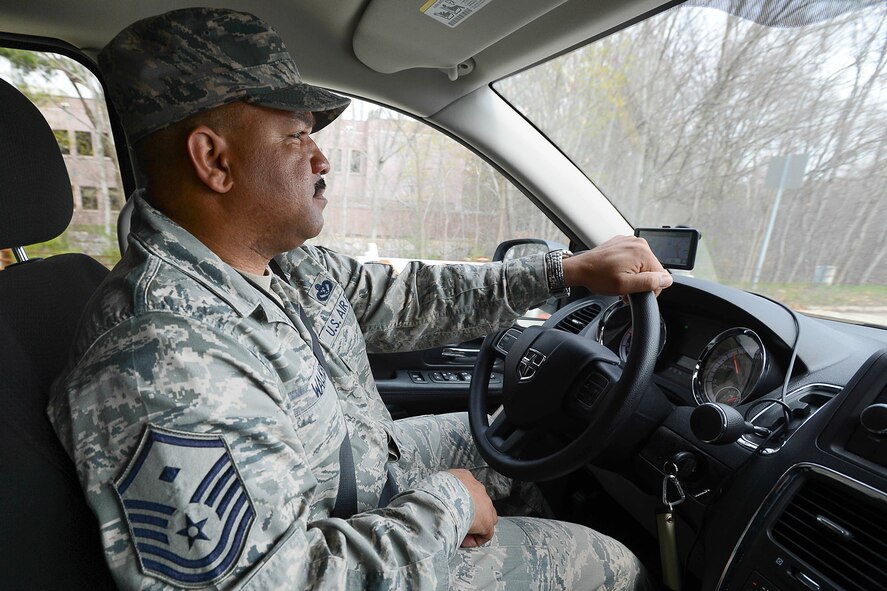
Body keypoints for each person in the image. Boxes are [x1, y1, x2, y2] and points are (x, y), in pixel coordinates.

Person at [48, 7, 672, 590]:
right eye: (296, 136)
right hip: (342, 545)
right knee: (610, 562)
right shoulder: (162, 358)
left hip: (367, 478)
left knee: (525, 441)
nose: (322, 157)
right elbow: (271, 580)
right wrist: (448, 506)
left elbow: (404, 296)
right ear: (214, 160)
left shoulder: (277, 263)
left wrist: (564, 270)